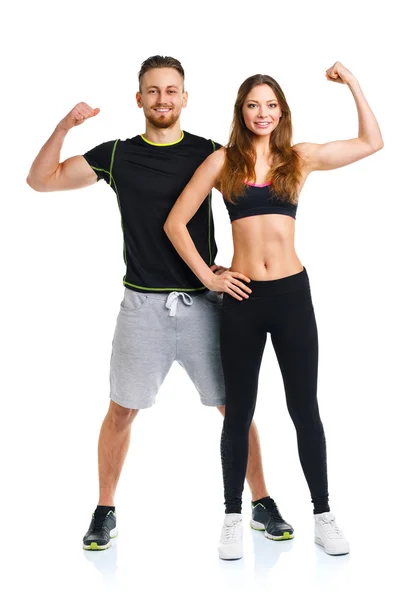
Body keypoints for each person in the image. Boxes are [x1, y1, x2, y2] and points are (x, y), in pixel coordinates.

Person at [26, 55, 293, 551]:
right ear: (140, 99)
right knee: (122, 410)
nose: (163, 99)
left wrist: (229, 270)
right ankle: (104, 509)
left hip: (205, 304)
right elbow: (40, 180)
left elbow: (255, 210)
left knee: (235, 408)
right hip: (142, 308)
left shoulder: (213, 153)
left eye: (172, 90)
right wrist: (65, 125)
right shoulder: (117, 155)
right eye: (153, 91)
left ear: (185, 98)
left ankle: (261, 502)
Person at [164, 61, 383, 559]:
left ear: (280, 111)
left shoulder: (297, 159)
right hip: (242, 300)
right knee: (238, 412)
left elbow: (371, 142)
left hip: (291, 297)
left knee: (304, 408)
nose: (262, 112)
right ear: (241, 113)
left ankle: (323, 515)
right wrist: (209, 276)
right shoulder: (223, 162)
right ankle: (232, 517)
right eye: (252, 105)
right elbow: (176, 223)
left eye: (270, 105)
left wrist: (352, 82)